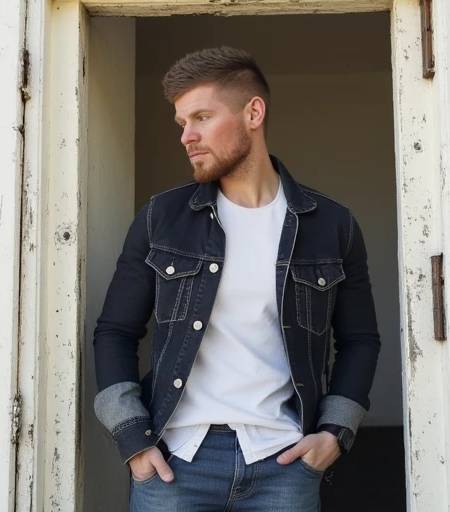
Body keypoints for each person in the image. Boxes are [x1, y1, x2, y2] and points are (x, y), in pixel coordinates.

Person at [93, 46, 381, 512]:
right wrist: (133, 440)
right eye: (182, 123)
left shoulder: (332, 226)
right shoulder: (161, 219)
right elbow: (114, 332)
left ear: (253, 112)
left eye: (202, 117)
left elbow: (360, 340)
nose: (187, 136)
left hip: (284, 465)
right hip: (175, 465)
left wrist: (333, 434)